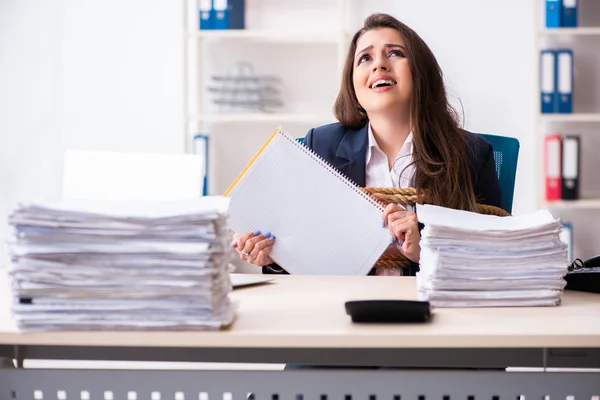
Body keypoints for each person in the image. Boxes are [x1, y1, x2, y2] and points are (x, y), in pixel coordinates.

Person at [233, 13, 502, 276]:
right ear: (353, 82)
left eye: (395, 53)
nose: (379, 65)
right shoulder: (320, 147)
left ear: (422, 71)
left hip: (433, 309)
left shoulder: (469, 153)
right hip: (342, 309)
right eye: (365, 58)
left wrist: (427, 248)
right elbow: (304, 256)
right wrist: (274, 256)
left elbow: (495, 261)